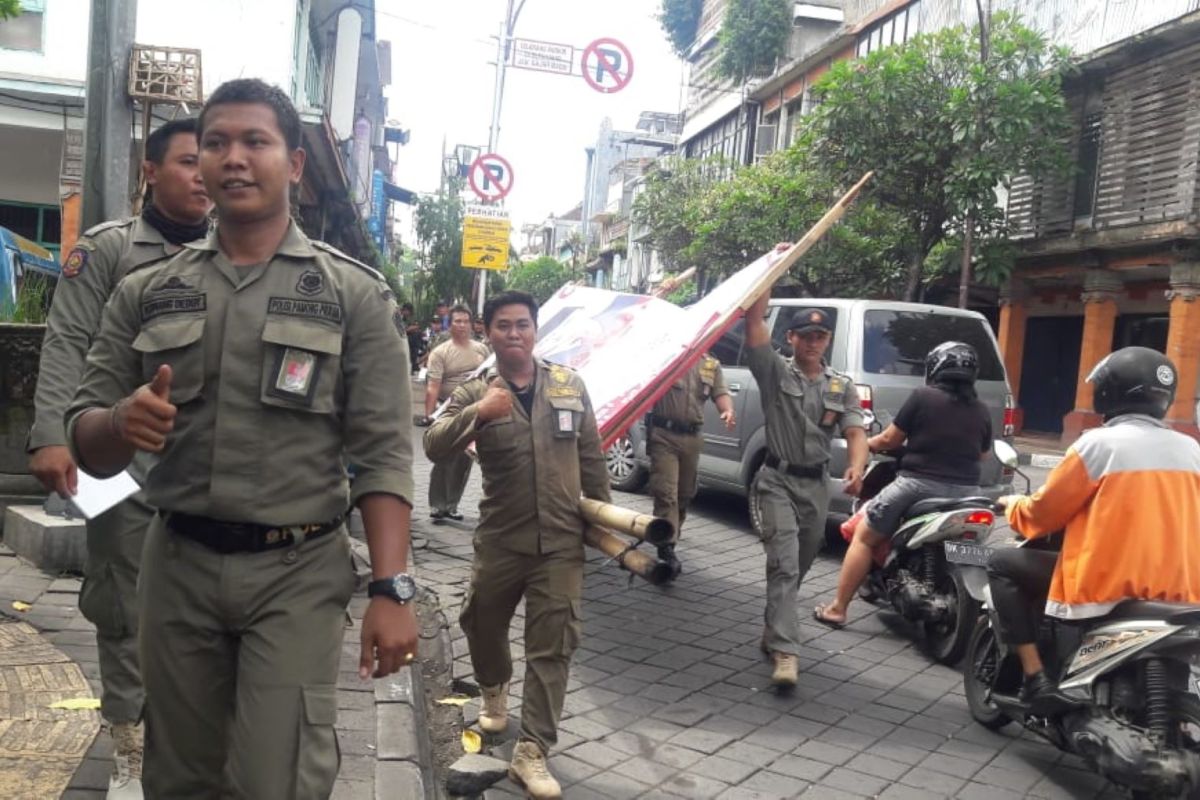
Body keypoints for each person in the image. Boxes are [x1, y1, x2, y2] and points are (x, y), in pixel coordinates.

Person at [65, 78, 418, 799]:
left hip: (297, 569)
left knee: (275, 779)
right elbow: (85, 437)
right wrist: (118, 423)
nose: (232, 159)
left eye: (254, 141)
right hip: (178, 566)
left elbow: (383, 452)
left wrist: (393, 589)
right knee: (178, 775)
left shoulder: (352, 297)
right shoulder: (149, 290)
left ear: (294, 164)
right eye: (214, 144)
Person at [27, 116, 211, 799]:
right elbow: (67, 340)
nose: (204, 174)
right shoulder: (107, 251)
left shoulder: (236, 251)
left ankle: (185, 742)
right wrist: (50, 434)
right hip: (115, 461)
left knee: (196, 608)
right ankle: (130, 746)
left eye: (209, 161)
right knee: (121, 603)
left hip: (199, 465)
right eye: (189, 161)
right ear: (150, 172)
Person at [424, 290, 609, 800]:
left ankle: (533, 750)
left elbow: (591, 455)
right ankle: (494, 690)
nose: (514, 333)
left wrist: (604, 521)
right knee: (480, 623)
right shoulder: (475, 391)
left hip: (561, 541)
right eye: (503, 325)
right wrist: (479, 414)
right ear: (489, 332)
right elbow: (433, 445)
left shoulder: (569, 385)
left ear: (535, 330)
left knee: (554, 647)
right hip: (502, 538)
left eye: (522, 324)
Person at [991, 346, 1200, 712]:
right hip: (1181, 593)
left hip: (1108, 584)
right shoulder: (1192, 449)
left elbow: (1044, 513)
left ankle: (1036, 677)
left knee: (1001, 564)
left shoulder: (1097, 444)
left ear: (1108, 393)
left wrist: (1013, 507)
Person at [813, 342, 993, 627]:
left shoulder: (923, 397)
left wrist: (866, 444)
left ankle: (837, 609)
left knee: (864, 536)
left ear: (935, 369)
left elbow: (889, 441)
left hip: (918, 485)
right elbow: (983, 454)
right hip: (969, 494)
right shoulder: (981, 410)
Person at [744, 288, 868, 688]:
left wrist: (856, 465)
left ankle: (773, 626)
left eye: (821, 337)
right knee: (784, 563)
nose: (814, 343)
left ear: (827, 341)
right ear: (791, 339)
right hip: (776, 480)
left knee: (801, 560)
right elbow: (754, 325)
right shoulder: (774, 371)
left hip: (816, 486)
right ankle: (785, 650)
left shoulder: (841, 386)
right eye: (806, 336)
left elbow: (854, 430)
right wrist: (769, 279)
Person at [646, 353, 735, 577]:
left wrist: (727, 410)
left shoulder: (710, 364)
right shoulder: (669, 355)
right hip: (663, 434)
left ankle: (670, 534)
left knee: (685, 494)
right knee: (667, 493)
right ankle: (667, 547)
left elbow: (721, 393)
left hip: (692, 438)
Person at [425, 304, 490, 521]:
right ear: (450, 324)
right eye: (457, 321)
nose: (462, 325)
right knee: (444, 456)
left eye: (465, 321)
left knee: (464, 460)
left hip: (474, 411)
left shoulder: (481, 350)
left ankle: (452, 505)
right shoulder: (440, 352)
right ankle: (437, 506)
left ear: (471, 325)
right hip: (448, 408)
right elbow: (433, 386)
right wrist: (430, 415)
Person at [400, 302, 424, 373]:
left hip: (411, 339)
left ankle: (413, 365)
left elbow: (413, 327)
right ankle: (412, 365)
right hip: (403, 338)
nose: (407, 313)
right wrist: (410, 329)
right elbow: (402, 330)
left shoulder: (409, 318)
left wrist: (410, 329)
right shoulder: (400, 317)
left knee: (414, 352)